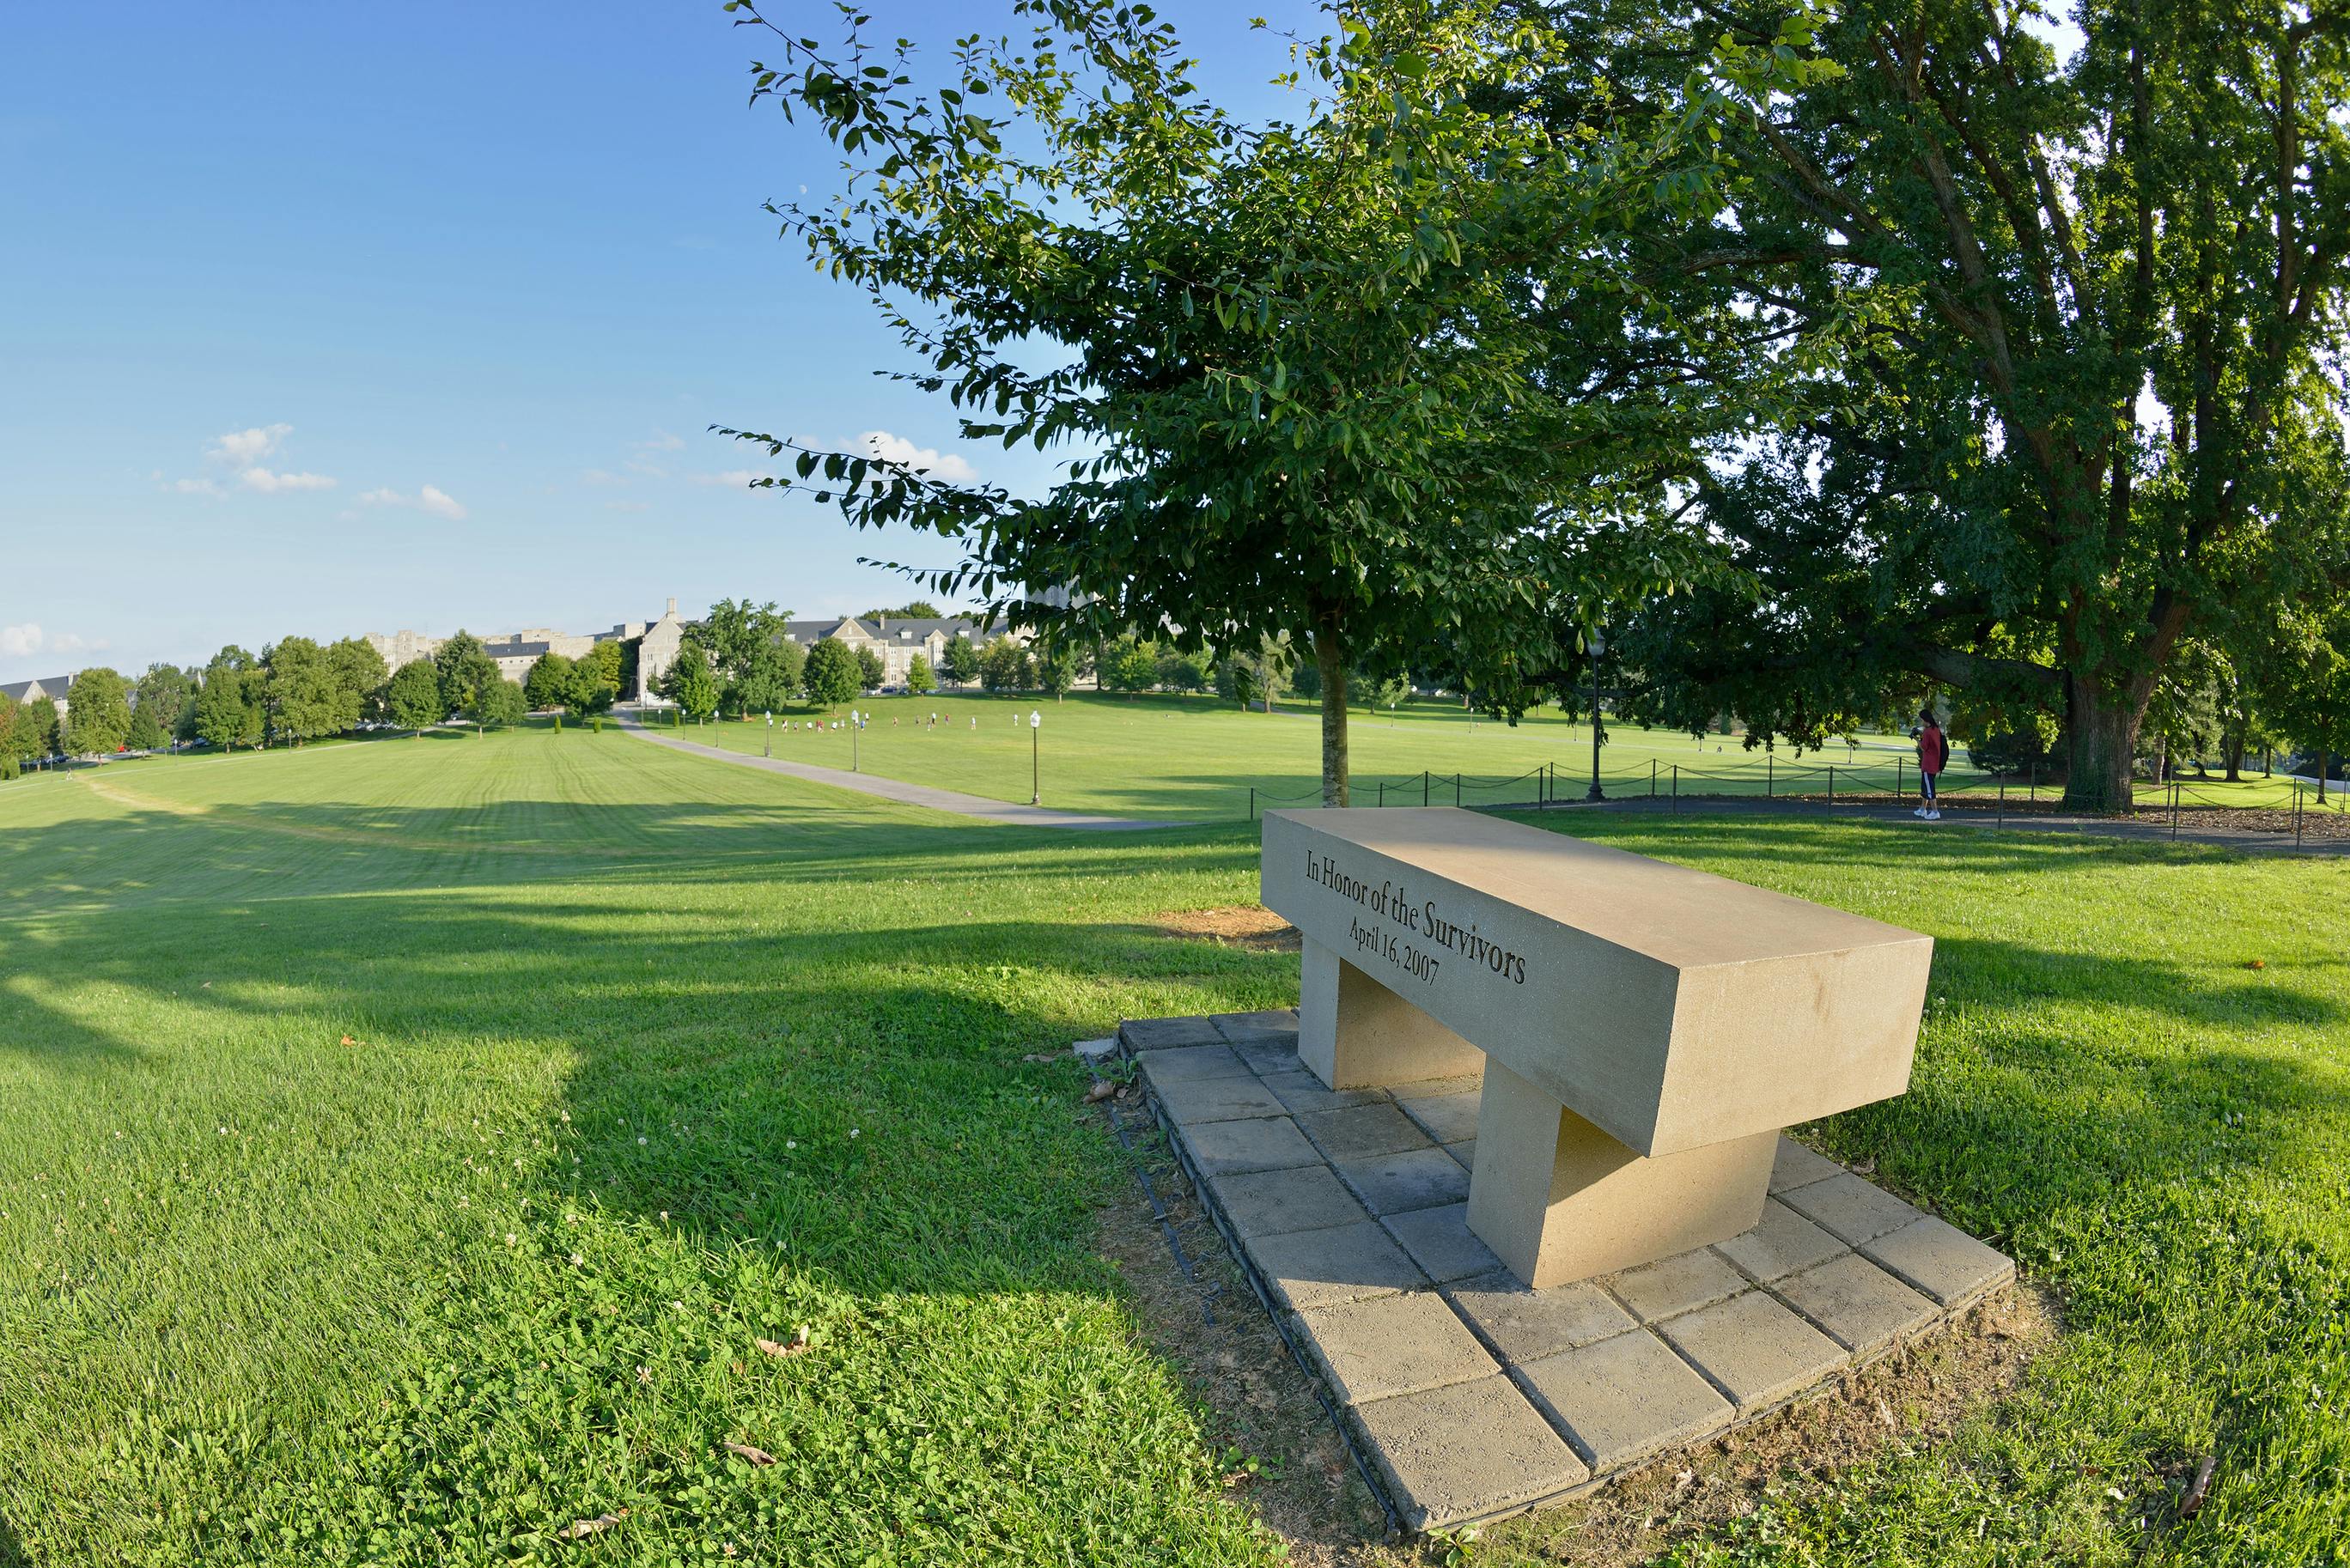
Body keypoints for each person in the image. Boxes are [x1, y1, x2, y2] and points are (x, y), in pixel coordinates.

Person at [1915, 708, 1949, 820]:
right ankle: (1922, 809)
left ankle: (1935, 811)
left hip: (1928, 765)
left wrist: (1915, 738)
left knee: (1929, 789)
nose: (1922, 722)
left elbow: (1924, 747)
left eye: (1922, 720)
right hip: (1935, 764)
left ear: (1925, 720)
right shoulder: (1936, 730)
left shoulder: (1928, 732)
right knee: (1925, 787)